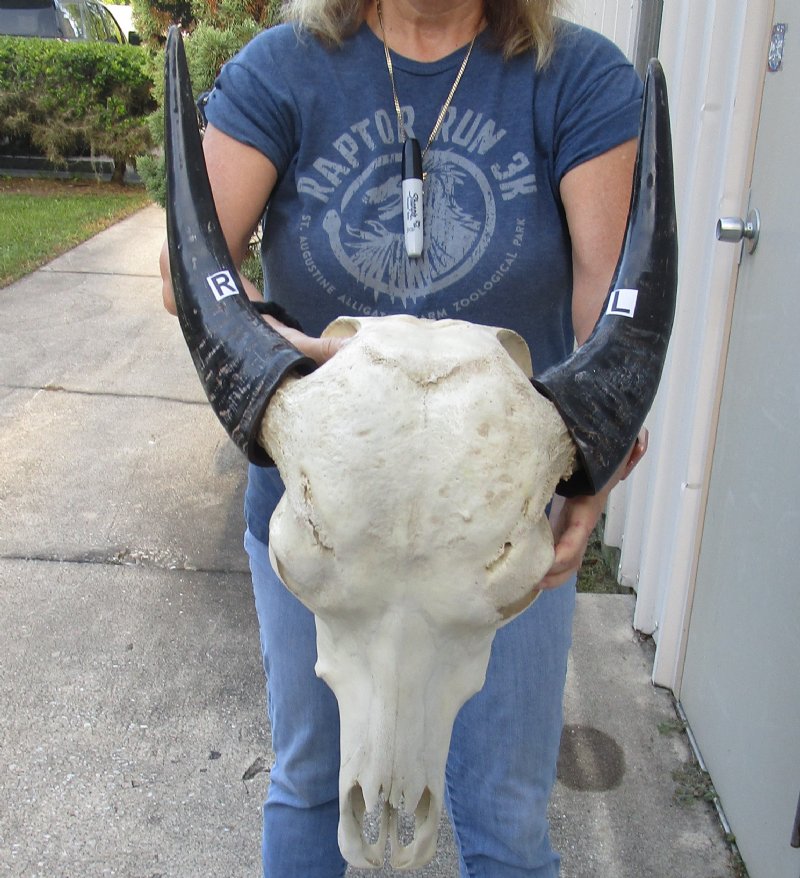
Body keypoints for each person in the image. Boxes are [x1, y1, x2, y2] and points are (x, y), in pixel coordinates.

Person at [160, 1, 646, 874]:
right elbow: (192, 267)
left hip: (493, 531)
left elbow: (610, 305)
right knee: (315, 781)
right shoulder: (285, 68)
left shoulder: (577, 76)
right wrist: (302, 349)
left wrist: (590, 476)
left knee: (505, 807)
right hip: (325, 521)